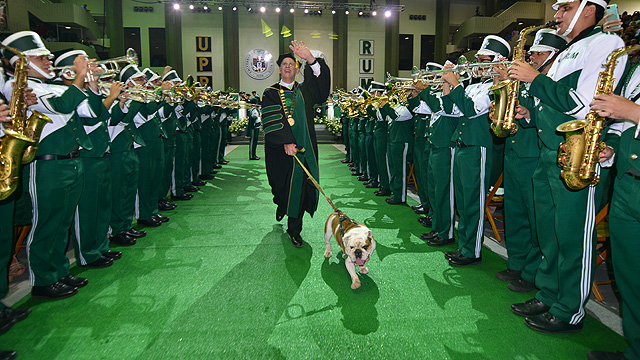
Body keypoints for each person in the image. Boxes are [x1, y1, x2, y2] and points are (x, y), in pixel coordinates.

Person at [508, 0, 625, 334]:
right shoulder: (571, 49)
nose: (556, 15)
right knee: (550, 233)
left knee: (572, 236)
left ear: (590, 8)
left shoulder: (605, 43)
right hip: (550, 151)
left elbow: (582, 103)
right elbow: (555, 103)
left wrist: (535, 78)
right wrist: (531, 114)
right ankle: (549, 293)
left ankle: (569, 308)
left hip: (576, 154)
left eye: (565, 7)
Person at [2, 31, 103, 299]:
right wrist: (80, 77)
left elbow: (94, 115)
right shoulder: (16, 85)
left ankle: (59, 271)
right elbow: (60, 106)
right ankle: (43, 280)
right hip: (46, 165)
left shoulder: (57, 85)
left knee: (62, 222)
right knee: (46, 223)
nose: (49, 61)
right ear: (21, 62)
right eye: (41, 57)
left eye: (48, 57)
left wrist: (91, 84)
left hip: (70, 161)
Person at [496, 29, 566, 294]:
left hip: (534, 155)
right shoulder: (528, 82)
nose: (533, 57)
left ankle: (532, 270)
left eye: (539, 53)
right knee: (514, 213)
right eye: (532, 52)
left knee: (536, 219)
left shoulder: (550, 82)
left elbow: (555, 115)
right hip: (514, 153)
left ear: (554, 56)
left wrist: (527, 113)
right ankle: (516, 262)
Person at [441, 35, 510, 265]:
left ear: (498, 61)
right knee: (463, 201)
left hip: (477, 148)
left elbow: (471, 111)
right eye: (478, 59)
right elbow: (451, 111)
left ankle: (473, 251)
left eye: (485, 59)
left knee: (473, 202)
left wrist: (457, 84)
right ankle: (464, 246)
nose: (479, 63)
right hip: (462, 146)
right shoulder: (475, 85)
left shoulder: (495, 87)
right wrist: (447, 85)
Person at [587, 60, 640, 360]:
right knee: (629, 277)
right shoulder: (637, 72)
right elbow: (627, 128)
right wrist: (611, 149)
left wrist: (632, 111)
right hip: (627, 182)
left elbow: (632, 115)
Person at [261, 40, 330, 247]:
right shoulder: (270, 93)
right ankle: (281, 204)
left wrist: (310, 59)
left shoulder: (305, 90)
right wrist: (286, 141)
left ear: (297, 68)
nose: (288, 66)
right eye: (284, 65)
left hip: (303, 150)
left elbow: (322, 88)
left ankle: (295, 229)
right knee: (281, 188)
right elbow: (271, 121)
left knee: (299, 189)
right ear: (279, 70)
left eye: (292, 63)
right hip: (279, 152)